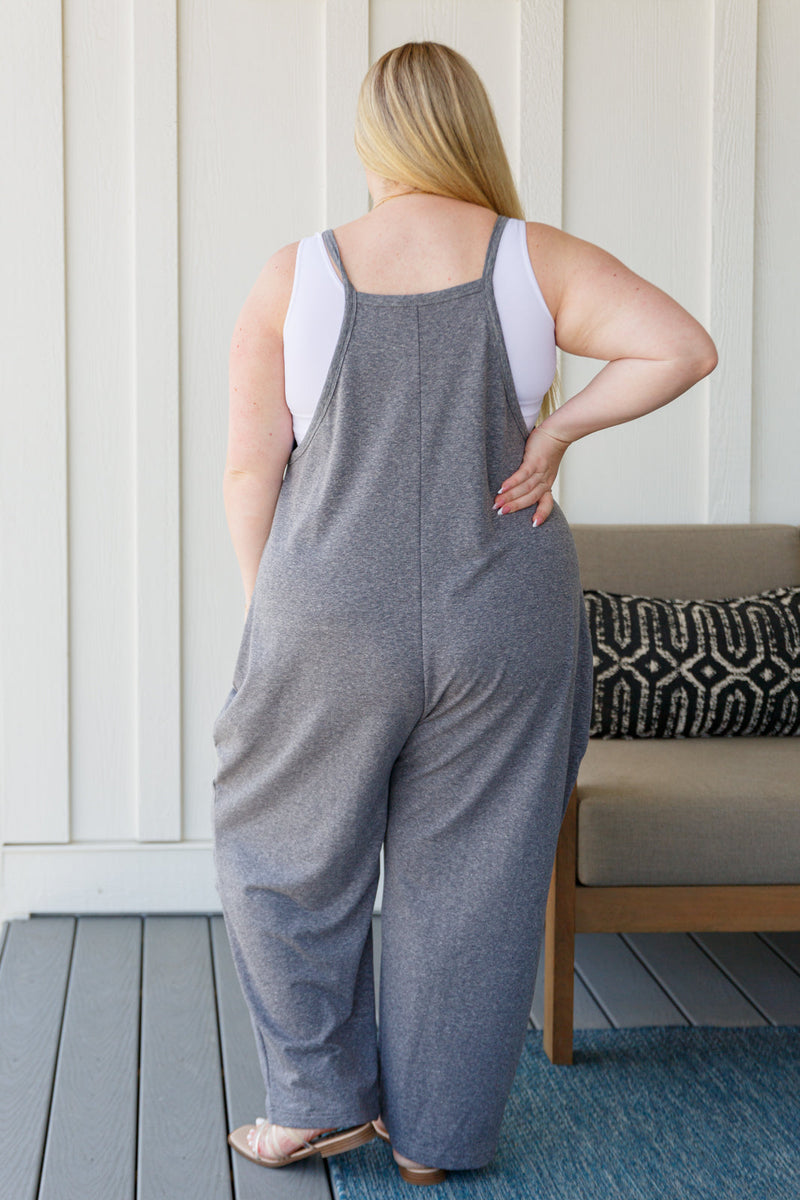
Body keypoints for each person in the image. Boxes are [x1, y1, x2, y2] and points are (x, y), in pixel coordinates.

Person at [211, 40, 717, 1186]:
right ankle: (436, 1141)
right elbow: (682, 348)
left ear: (372, 138)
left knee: (281, 853)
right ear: (468, 130)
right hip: (506, 610)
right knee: (474, 879)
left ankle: (315, 1103)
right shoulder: (532, 257)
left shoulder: (295, 274)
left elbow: (250, 469)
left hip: (325, 610)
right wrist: (555, 430)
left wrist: (270, 617)